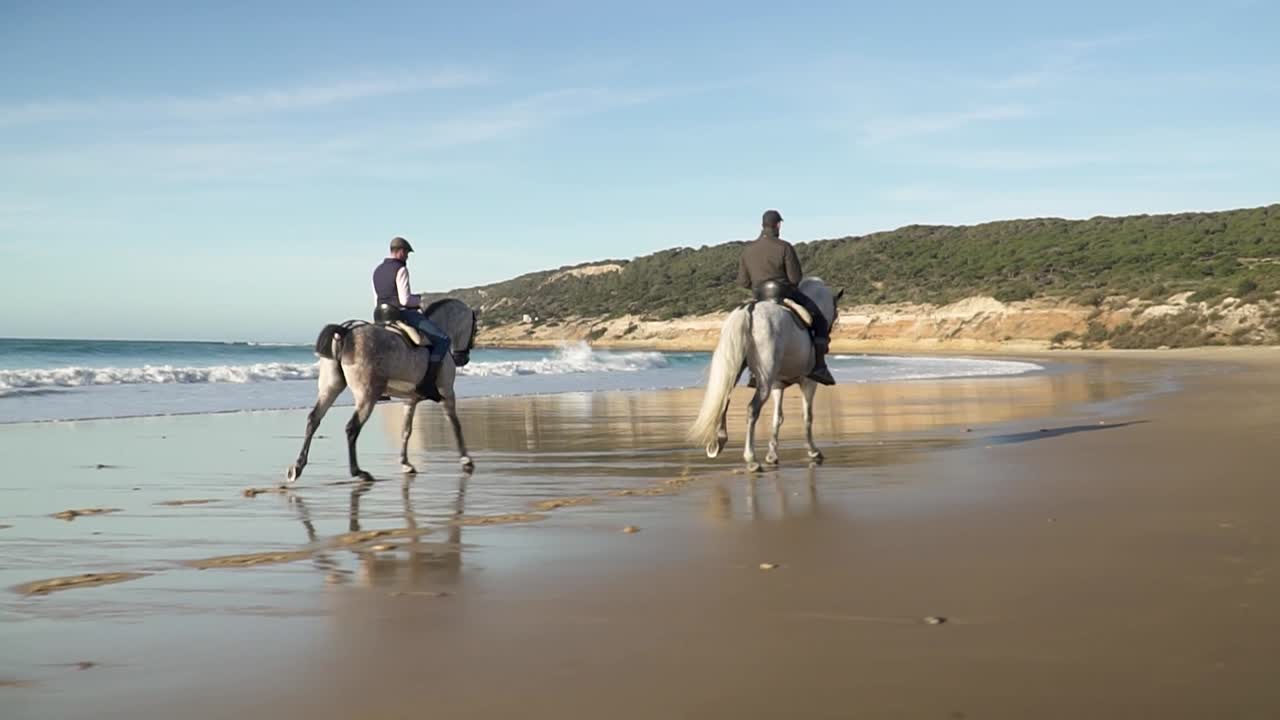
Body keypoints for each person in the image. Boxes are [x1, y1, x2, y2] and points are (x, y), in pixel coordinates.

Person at [737, 209, 835, 385]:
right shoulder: (784, 247)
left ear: (762, 226)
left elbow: (743, 282)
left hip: (759, 298)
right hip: (783, 294)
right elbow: (795, 279)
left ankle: (753, 372)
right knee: (819, 319)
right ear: (778, 225)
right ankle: (819, 366)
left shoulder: (747, 250)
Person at [372, 236, 451, 401]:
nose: (407, 257)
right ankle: (428, 383)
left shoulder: (377, 270)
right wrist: (420, 299)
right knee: (443, 340)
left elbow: (377, 298)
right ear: (400, 252)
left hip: (380, 315)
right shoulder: (400, 269)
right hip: (401, 313)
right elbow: (404, 300)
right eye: (407, 253)